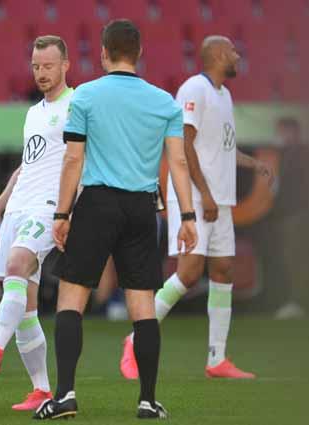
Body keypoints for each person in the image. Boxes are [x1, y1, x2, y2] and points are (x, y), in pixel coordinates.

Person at [33, 19, 198, 420]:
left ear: (103, 53)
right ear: (139, 53)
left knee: (72, 299)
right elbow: (177, 161)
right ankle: (147, 400)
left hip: (97, 204)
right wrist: (188, 216)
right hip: (143, 208)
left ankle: (65, 396)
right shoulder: (164, 102)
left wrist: (61, 212)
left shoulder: (85, 96)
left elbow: (74, 158)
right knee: (142, 306)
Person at [119, 35, 275, 381]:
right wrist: (202, 193)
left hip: (219, 198)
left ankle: (217, 358)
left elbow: (221, 148)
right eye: (233, 50)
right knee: (189, 273)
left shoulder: (224, 94)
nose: (237, 55)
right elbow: (184, 142)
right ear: (219, 55)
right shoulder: (194, 89)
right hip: (193, 196)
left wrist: (253, 164)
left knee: (223, 270)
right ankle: (133, 338)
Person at [0, 35, 72, 411]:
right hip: (18, 207)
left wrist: (68, 210)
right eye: (36, 67)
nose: (42, 73)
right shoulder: (33, 112)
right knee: (26, 305)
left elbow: (81, 160)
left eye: (48, 66)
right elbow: (27, 165)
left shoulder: (76, 105)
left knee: (17, 264)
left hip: (47, 208)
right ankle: (42, 390)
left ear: (65, 65)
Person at [269, 117, 309, 319]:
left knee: (298, 258)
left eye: (282, 132)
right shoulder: (285, 155)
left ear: (292, 132)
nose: (280, 136)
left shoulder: (304, 155)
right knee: (293, 258)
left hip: (299, 215)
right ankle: (305, 300)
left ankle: (301, 301)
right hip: (289, 215)